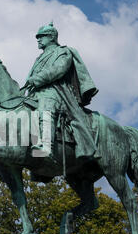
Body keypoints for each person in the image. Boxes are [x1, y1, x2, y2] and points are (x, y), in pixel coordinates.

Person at [24, 22, 100, 160]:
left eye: (41, 36)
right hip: (36, 92)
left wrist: (37, 79)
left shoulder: (63, 51)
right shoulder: (39, 58)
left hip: (56, 91)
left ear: (52, 37)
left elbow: (58, 70)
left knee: (45, 107)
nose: (38, 40)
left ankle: (46, 147)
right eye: (38, 37)